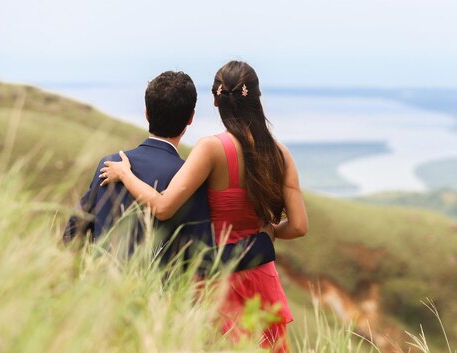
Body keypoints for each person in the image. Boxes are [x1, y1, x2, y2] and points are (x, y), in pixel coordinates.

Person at [100, 61, 308, 352]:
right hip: (262, 277)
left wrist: (125, 174)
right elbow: (299, 226)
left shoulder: (211, 148)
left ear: (216, 101)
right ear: (257, 98)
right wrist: (270, 231)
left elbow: (162, 208)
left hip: (217, 280)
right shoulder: (280, 154)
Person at [63, 70, 276, 274]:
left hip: (102, 298)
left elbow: (74, 229)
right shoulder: (188, 179)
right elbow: (204, 259)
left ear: (146, 113)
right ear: (190, 119)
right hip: (154, 302)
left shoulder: (110, 164)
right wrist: (262, 244)